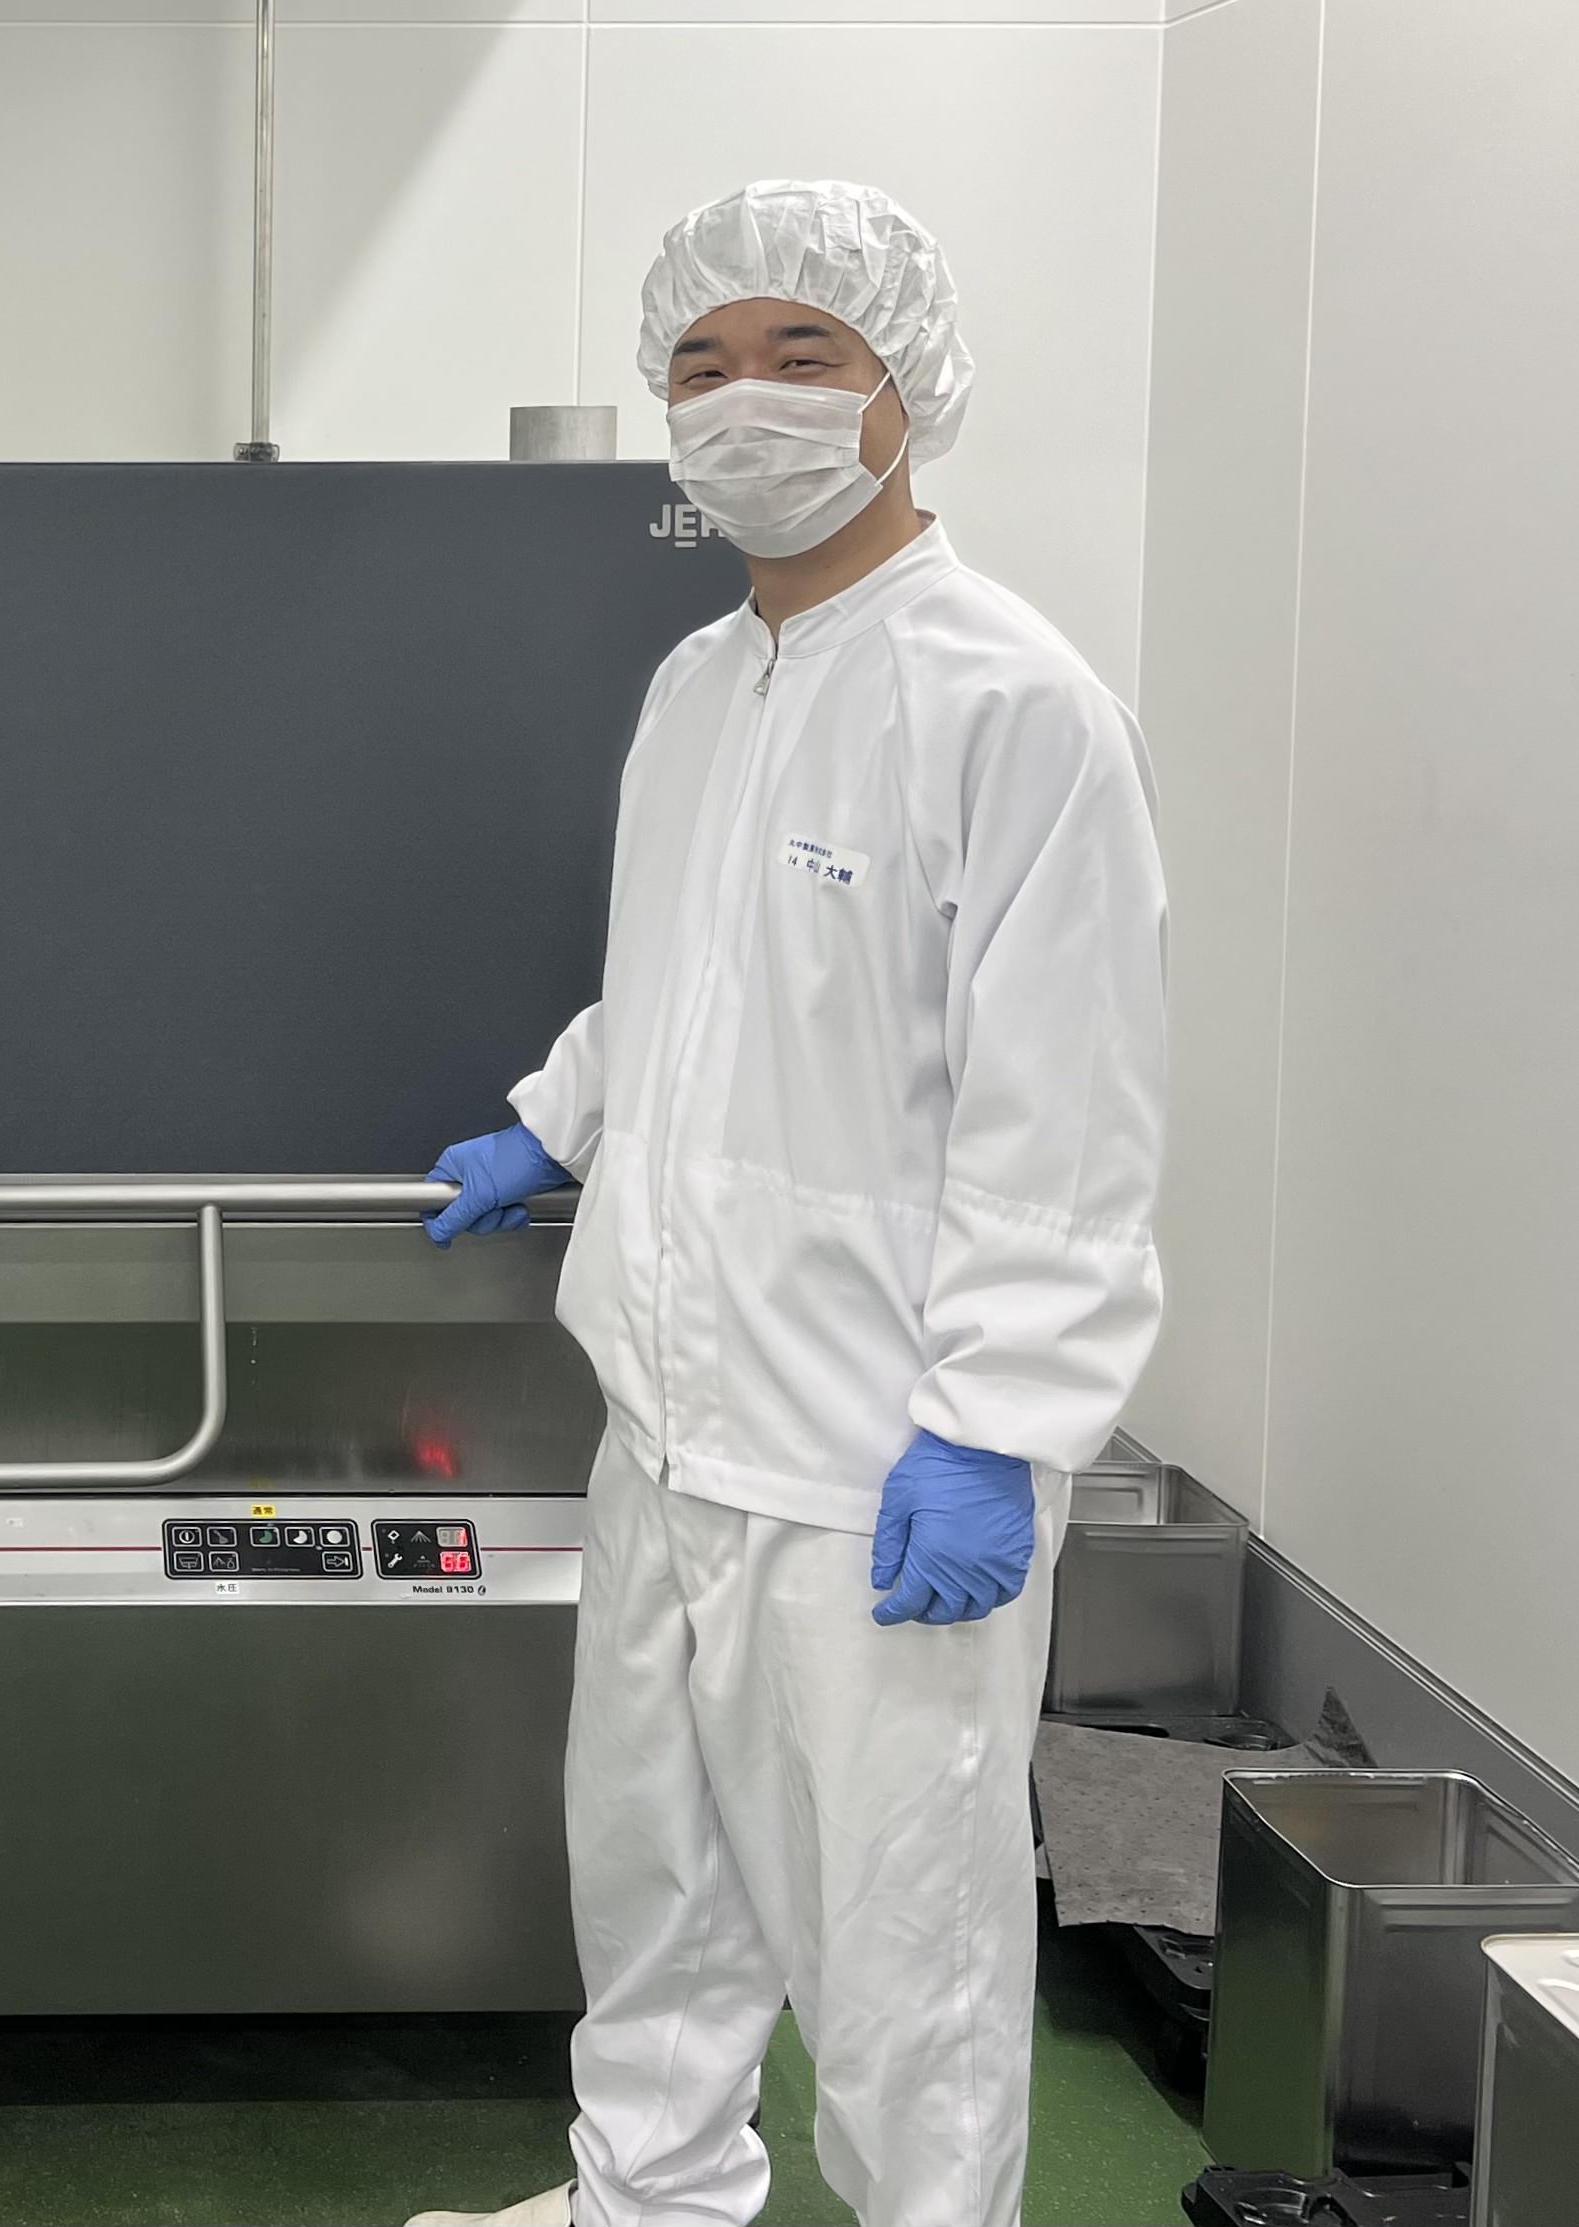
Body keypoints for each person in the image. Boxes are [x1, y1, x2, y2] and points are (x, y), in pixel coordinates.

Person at [408, 181, 1166, 2227]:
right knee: (656, 1879)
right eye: (702, 363)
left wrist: (994, 1421)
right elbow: (686, 977)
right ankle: (647, 2198)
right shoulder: (699, 682)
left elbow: (1069, 1103)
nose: (743, 400)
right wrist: (558, 1119)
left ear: (907, 390)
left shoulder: (1013, 706)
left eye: (800, 354)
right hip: (667, 1416)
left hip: (869, 1452)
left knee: (900, 1947)